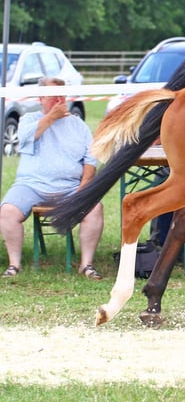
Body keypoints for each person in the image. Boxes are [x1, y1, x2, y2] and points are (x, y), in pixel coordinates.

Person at [1, 77, 104, 279]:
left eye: (61, 95)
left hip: (70, 187)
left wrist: (83, 187)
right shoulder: (29, 120)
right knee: (7, 211)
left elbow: (91, 159)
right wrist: (50, 118)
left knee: (95, 208)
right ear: (41, 98)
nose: (58, 100)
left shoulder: (78, 125)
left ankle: (87, 264)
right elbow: (26, 139)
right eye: (52, 96)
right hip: (30, 185)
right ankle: (14, 265)